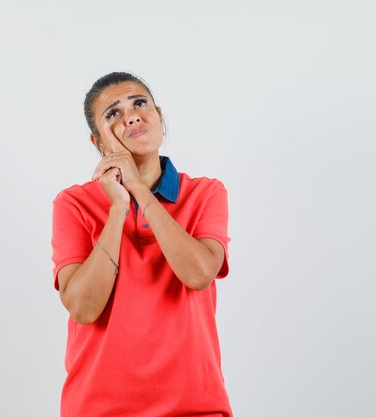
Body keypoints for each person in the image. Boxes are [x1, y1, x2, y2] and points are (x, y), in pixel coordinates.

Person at [51, 72, 233, 417]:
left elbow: (198, 274)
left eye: (139, 104)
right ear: (97, 142)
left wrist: (139, 190)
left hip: (196, 408)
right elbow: (83, 308)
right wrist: (119, 205)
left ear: (159, 117)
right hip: (98, 409)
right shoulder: (73, 204)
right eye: (113, 114)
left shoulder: (206, 193)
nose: (132, 115)